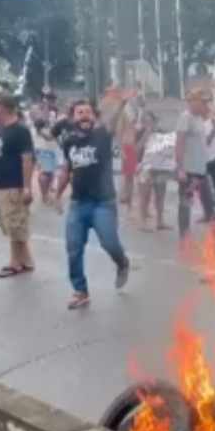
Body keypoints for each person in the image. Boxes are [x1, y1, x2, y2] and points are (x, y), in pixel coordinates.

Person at [55, 100, 130, 310]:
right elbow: (66, 169)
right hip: (78, 203)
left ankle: (122, 262)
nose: (84, 115)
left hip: (103, 203)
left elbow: (113, 120)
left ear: (94, 117)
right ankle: (80, 291)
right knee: (73, 248)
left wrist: (121, 102)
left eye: (88, 112)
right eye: (80, 112)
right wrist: (58, 194)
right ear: (73, 118)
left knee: (109, 243)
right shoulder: (68, 141)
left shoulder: (102, 135)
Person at [0, 95, 35, 278]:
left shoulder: (20, 131)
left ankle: (15, 263)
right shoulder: (0, 129)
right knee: (9, 224)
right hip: (0, 186)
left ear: (3, 108)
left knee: (15, 224)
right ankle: (27, 260)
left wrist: (26, 187)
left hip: (13, 186)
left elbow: (27, 159)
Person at [175, 87, 215, 246]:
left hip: (201, 169)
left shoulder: (200, 119)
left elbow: (203, 143)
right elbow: (179, 143)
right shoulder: (185, 118)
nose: (205, 105)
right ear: (193, 102)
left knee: (209, 203)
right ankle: (184, 236)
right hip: (188, 169)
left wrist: (214, 132)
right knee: (186, 203)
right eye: (203, 102)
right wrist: (180, 168)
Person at [136, 113, 174, 232]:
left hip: (161, 167)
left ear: (155, 121)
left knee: (160, 195)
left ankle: (160, 221)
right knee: (145, 196)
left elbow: (169, 147)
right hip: (145, 167)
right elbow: (137, 149)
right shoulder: (140, 132)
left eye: (150, 121)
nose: (149, 124)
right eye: (145, 121)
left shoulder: (162, 132)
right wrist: (146, 134)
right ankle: (143, 222)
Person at [33, 108, 60, 205]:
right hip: (45, 153)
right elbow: (51, 140)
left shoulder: (40, 132)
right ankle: (45, 195)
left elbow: (52, 140)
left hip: (46, 153)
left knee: (48, 175)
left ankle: (45, 194)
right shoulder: (43, 132)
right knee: (45, 175)